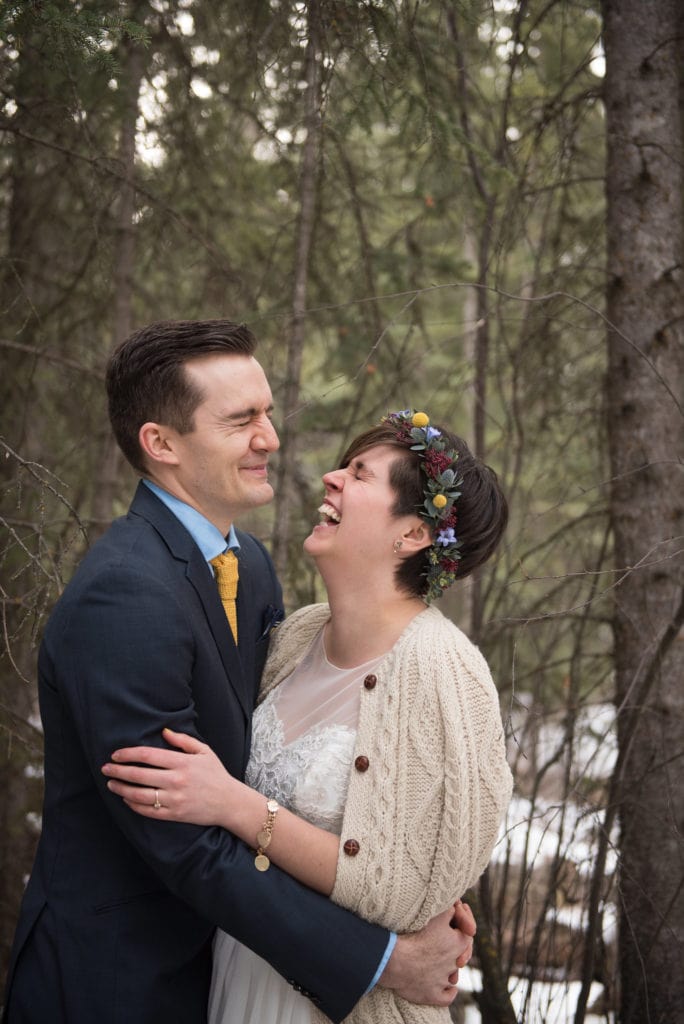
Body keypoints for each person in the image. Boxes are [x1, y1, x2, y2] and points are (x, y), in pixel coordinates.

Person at [2, 324, 475, 1024]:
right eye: (241, 420)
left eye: (269, 413)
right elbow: (184, 840)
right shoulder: (124, 595)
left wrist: (419, 886)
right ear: (161, 444)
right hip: (118, 984)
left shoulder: (249, 567)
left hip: (229, 971)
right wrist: (382, 958)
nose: (271, 440)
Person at [102, 408, 514, 1024]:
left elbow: (399, 887)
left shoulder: (444, 671)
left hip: (344, 1003)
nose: (331, 478)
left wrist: (232, 804)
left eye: (360, 473)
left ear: (413, 535)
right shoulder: (298, 635)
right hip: (244, 966)